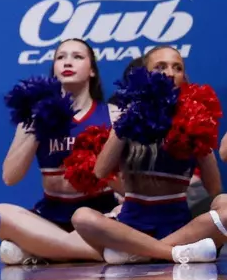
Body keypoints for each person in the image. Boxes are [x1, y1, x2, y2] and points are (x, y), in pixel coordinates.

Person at [67, 49, 225, 265]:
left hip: (178, 226)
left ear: (184, 77)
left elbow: (214, 188)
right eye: (160, 67)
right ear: (145, 75)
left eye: (177, 68)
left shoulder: (196, 118)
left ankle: (139, 253)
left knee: (225, 206)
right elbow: (101, 171)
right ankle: (173, 253)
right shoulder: (128, 115)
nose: (170, 73)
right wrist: (127, 122)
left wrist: (201, 134)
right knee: (82, 217)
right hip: (131, 225)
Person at [0, 39, 120, 265]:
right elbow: (10, 177)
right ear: (54, 69)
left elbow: (128, 184)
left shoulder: (113, 114)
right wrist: (38, 125)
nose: (67, 62)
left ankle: (46, 250)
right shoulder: (32, 117)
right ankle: (91, 252)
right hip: (52, 217)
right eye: (61, 57)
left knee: (12, 252)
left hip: (100, 216)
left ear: (92, 71)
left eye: (77, 57)